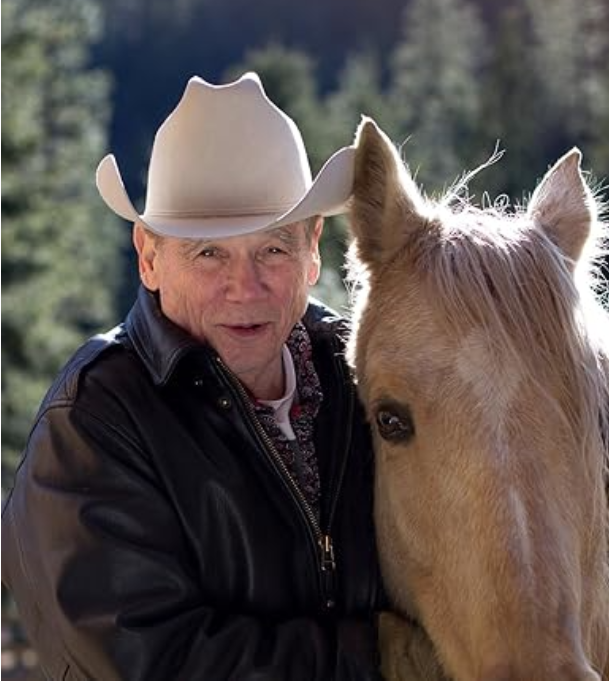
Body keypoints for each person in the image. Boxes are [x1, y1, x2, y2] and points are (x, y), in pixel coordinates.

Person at [1, 72, 384, 680]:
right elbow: (151, 665)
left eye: (274, 249)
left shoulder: (366, 380)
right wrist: (388, 659)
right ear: (150, 258)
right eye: (209, 252)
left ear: (313, 250)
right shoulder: (93, 420)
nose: (246, 287)